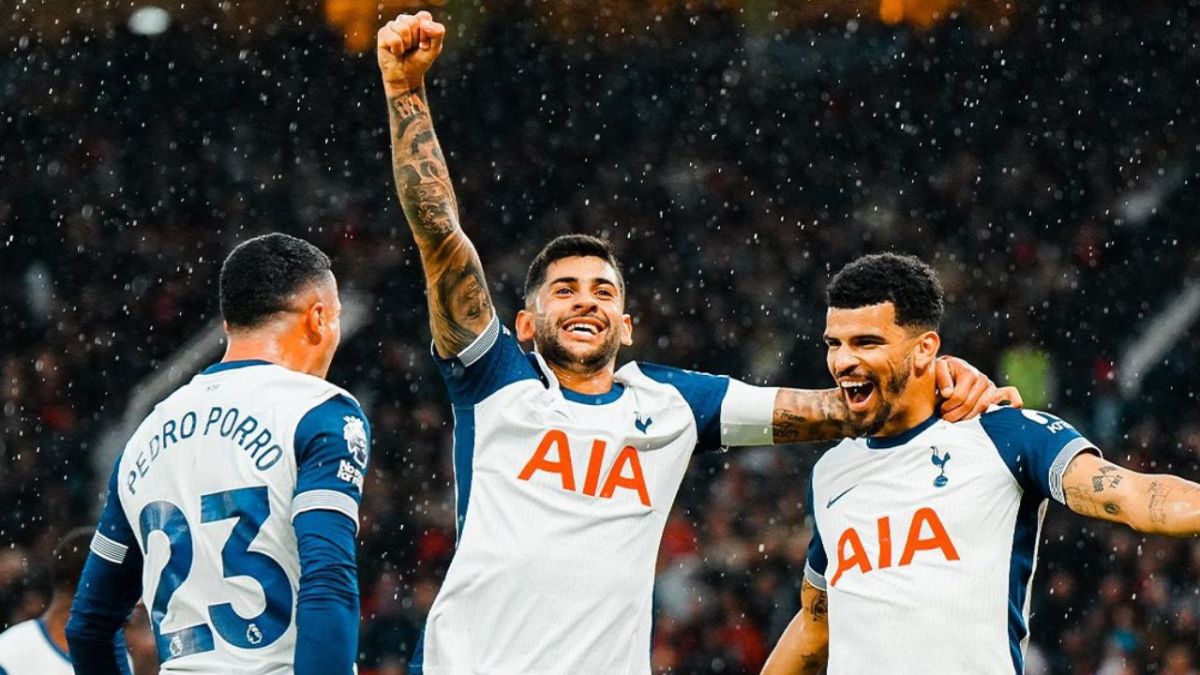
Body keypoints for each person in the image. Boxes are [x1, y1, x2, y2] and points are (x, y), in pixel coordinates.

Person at [377, 14, 1019, 674]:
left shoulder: (674, 402)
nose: (586, 300)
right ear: (525, 325)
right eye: (564, 289)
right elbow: (441, 236)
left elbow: (843, 405)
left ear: (625, 326)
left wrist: (930, 375)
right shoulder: (495, 379)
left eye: (604, 291)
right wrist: (405, 92)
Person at [761, 253, 1200, 675]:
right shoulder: (831, 472)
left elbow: (1135, 497)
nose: (842, 360)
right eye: (833, 344)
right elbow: (817, 624)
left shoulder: (1002, 434)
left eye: (866, 342)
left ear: (923, 349)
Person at [65, 234, 370, 675]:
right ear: (319, 318)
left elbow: (89, 625)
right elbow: (328, 584)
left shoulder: (143, 438)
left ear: (228, 325)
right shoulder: (319, 412)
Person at [0, 528, 132, 674]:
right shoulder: (10, 654)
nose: (135, 603)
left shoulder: (119, 659)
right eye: (121, 590)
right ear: (96, 592)